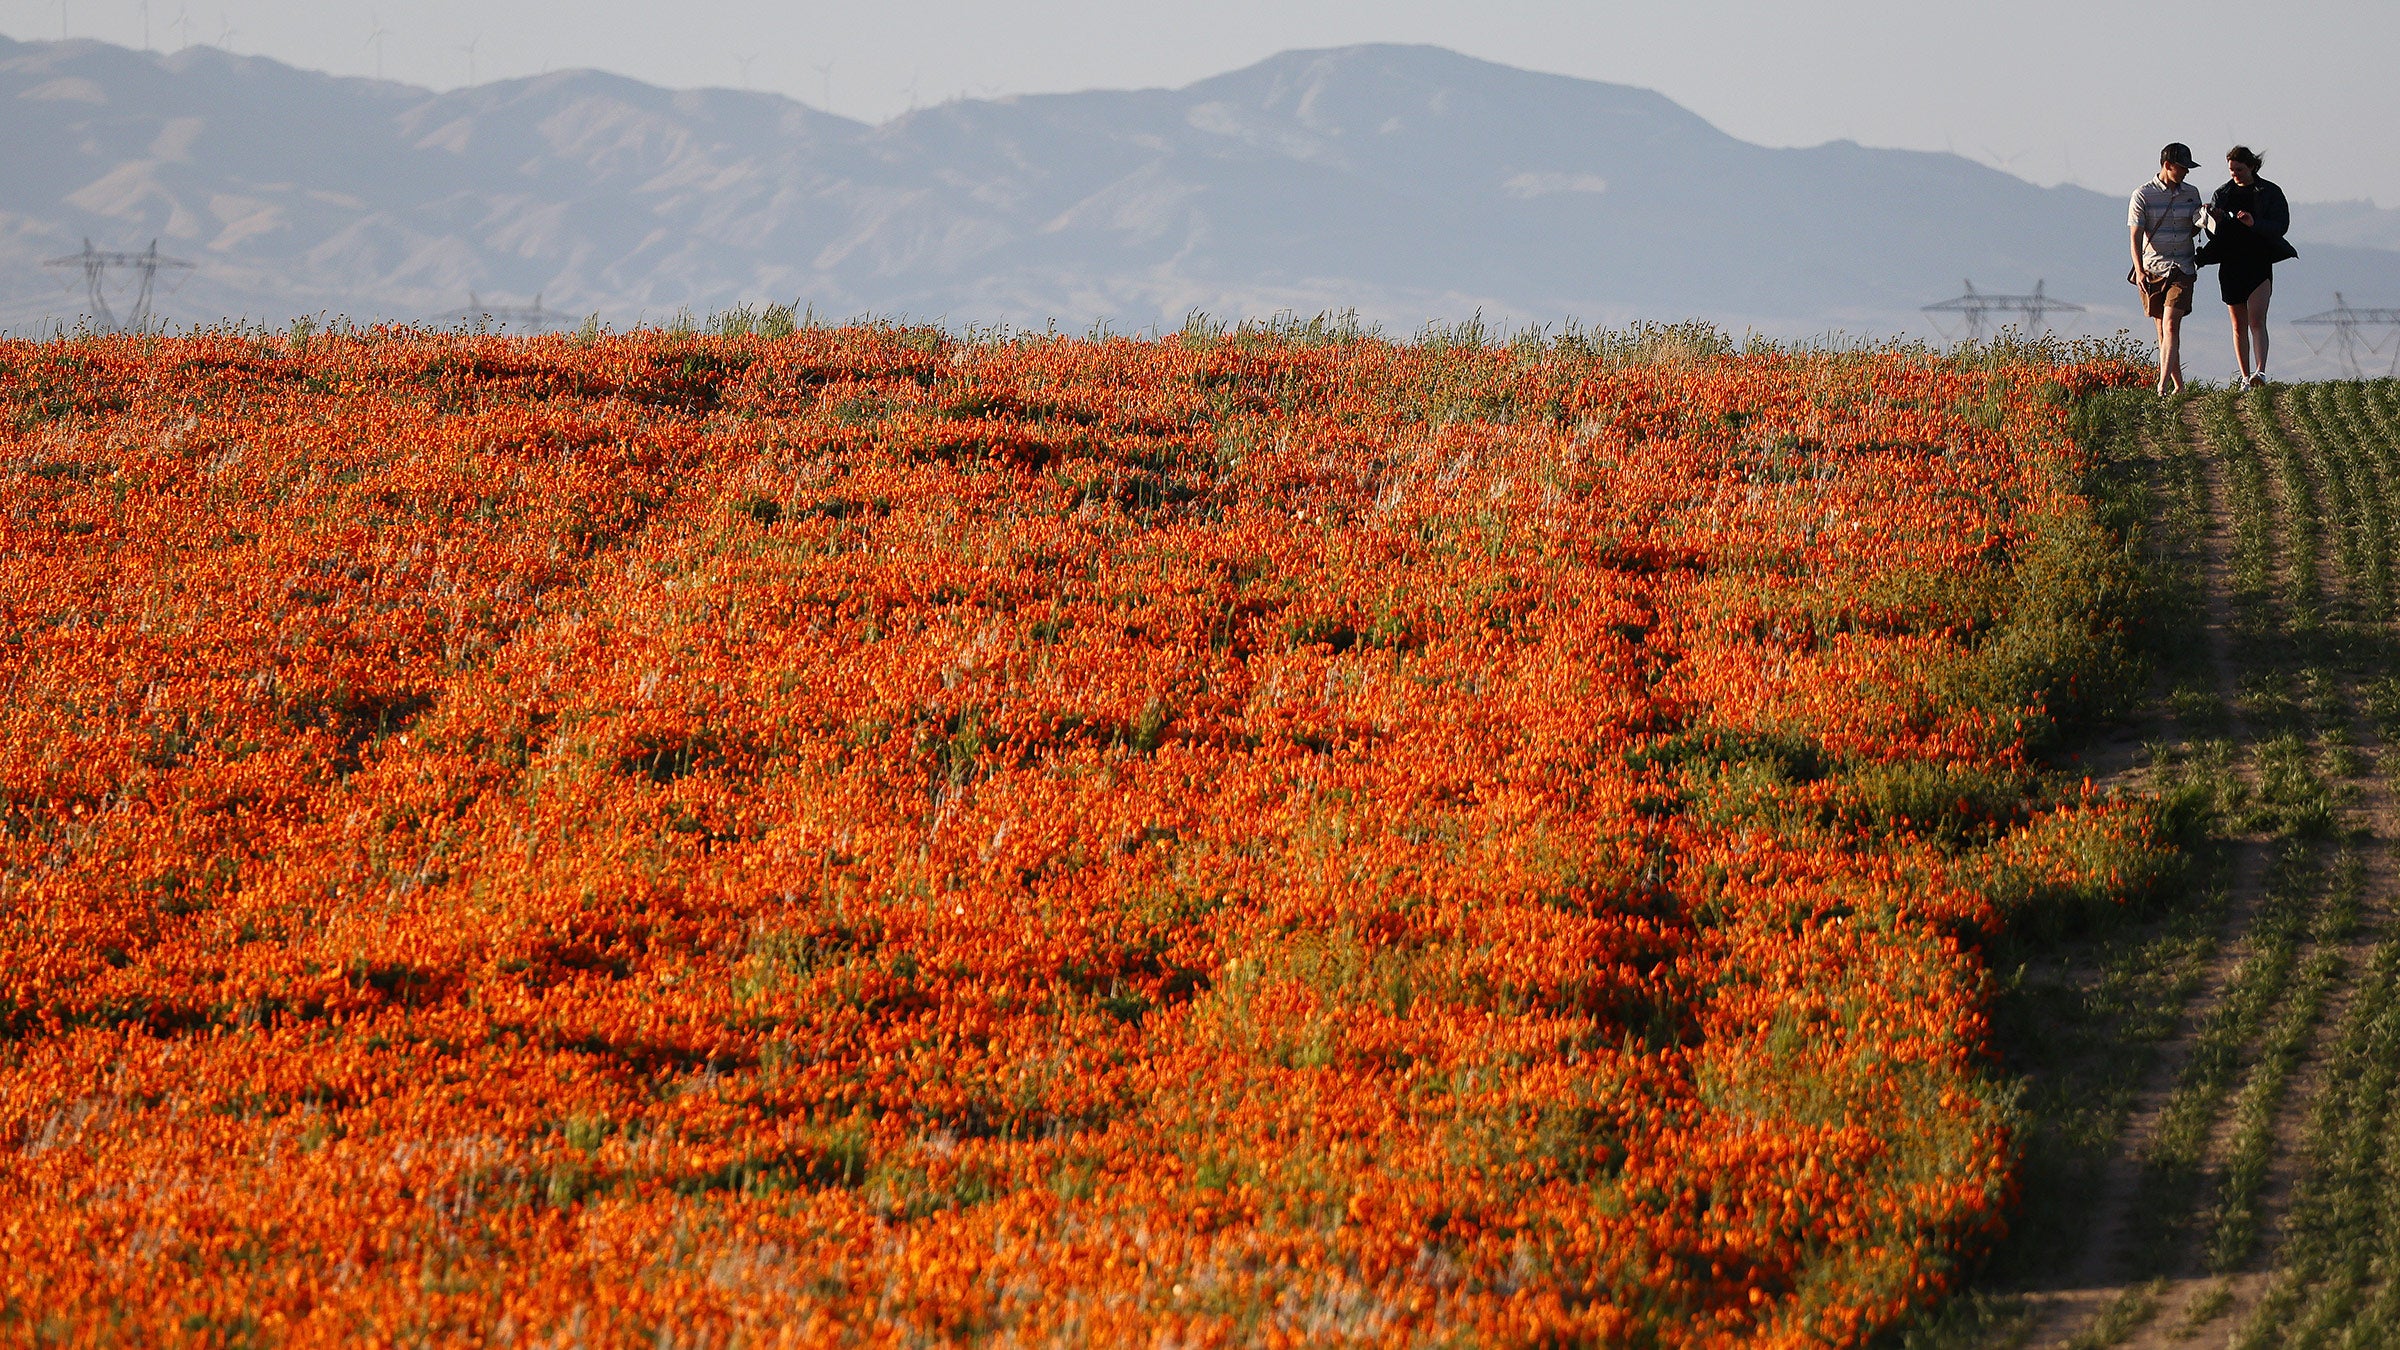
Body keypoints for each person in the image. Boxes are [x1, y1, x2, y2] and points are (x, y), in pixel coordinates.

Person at [2201, 145, 2298, 387]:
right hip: (2231, 263)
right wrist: (2213, 219)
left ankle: (2260, 372)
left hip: (2259, 261)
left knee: (2257, 320)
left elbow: (2280, 226)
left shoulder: (2269, 192)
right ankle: (2244, 376)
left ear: (2252, 167)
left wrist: (2254, 224)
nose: (2235, 174)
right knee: (2238, 324)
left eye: (2239, 169)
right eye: (2232, 170)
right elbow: (2215, 236)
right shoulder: (2222, 193)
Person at [2129, 143, 2206, 395]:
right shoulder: (2142, 195)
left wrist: (2205, 220)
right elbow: (2135, 237)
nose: (2186, 172)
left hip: (2183, 267)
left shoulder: (2192, 193)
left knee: (2171, 325)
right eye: (2182, 167)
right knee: (2163, 332)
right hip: (2153, 268)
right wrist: (2139, 271)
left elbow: (2193, 229)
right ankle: (2179, 385)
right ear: (2167, 165)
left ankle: (2161, 386)